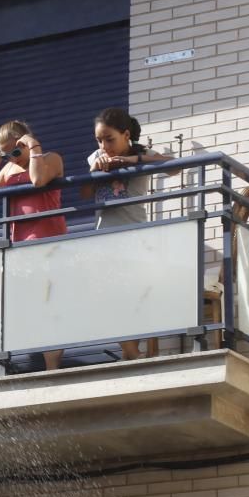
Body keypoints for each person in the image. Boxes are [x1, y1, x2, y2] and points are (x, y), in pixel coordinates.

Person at [83, 108, 173, 361]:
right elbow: (85, 193)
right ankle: (130, 351)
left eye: (109, 139)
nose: (104, 145)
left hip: (135, 236)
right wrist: (95, 170)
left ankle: (132, 350)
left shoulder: (141, 153)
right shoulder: (96, 156)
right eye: (99, 140)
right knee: (114, 297)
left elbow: (172, 167)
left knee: (135, 293)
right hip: (105, 237)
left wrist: (129, 162)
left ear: (126, 135)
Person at [0, 121, 66, 371]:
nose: (11, 158)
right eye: (6, 153)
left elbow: (38, 180)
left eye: (14, 151)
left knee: (49, 306)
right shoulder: (7, 170)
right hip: (20, 250)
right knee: (29, 308)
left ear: (24, 141)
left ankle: (53, 369)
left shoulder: (51, 158)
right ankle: (13, 366)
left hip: (49, 245)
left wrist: (34, 146)